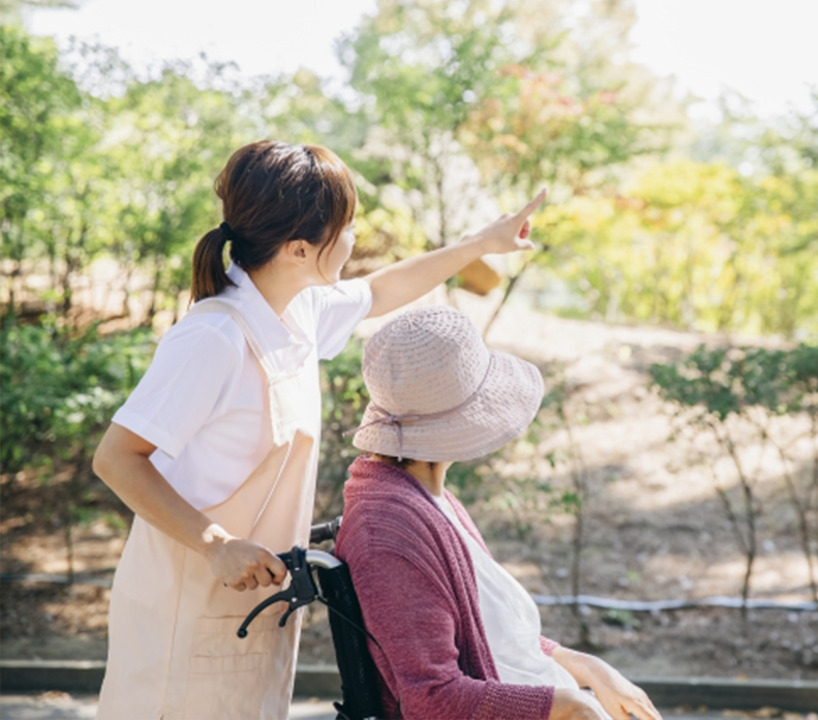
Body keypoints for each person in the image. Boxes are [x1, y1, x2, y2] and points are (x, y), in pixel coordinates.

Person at [92, 139, 546, 720]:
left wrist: (481, 243)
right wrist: (216, 545)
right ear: (300, 249)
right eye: (346, 227)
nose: (354, 238)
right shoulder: (213, 338)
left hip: (254, 607)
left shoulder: (299, 310)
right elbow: (117, 458)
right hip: (186, 607)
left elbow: (380, 291)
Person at [338, 305, 663, 720]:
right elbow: (431, 699)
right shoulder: (388, 530)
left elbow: (494, 638)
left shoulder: (424, 498)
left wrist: (591, 669)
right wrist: (569, 705)